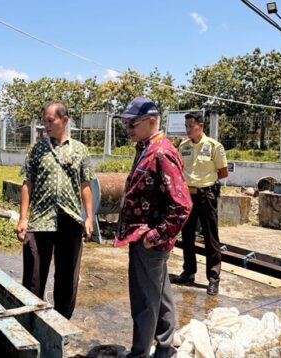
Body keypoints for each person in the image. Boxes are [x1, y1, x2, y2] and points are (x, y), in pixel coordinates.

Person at [114, 96, 192, 358]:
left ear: (150, 121)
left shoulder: (161, 152)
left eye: (132, 124)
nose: (128, 130)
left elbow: (182, 205)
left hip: (149, 239)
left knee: (144, 301)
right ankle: (165, 346)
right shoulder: (146, 147)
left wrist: (155, 236)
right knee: (160, 293)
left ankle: (140, 354)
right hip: (145, 237)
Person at [14, 100, 95, 319]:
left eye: (50, 121)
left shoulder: (80, 150)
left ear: (64, 120)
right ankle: (30, 321)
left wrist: (89, 217)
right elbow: (27, 183)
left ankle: (61, 324)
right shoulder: (37, 148)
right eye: (44, 121)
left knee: (67, 277)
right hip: (40, 220)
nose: (46, 125)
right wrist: (23, 218)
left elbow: (85, 185)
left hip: (69, 221)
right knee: (34, 276)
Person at [172, 112, 228, 296]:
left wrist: (206, 183)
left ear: (200, 125)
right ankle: (188, 272)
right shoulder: (184, 146)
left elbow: (222, 172)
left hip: (206, 194)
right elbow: (180, 169)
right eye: (186, 126)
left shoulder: (214, 146)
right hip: (188, 195)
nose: (188, 129)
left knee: (210, 236)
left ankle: (213, 278)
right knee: (186, 235)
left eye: (190, 125)